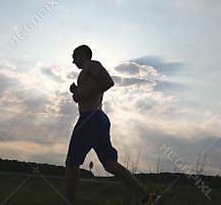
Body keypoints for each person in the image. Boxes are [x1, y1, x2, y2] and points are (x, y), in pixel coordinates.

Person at [63, 45, 159, 205]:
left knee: (72, 163)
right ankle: (147, 198)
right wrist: (77, 92)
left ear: (83, 54)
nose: (72, 60)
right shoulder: (85, 73)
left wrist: (81, 93)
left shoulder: (92, 65)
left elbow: (108, 82)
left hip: (90, 119)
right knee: (109, 164)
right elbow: (89, 92)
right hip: (97, 119)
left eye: (74, 56)